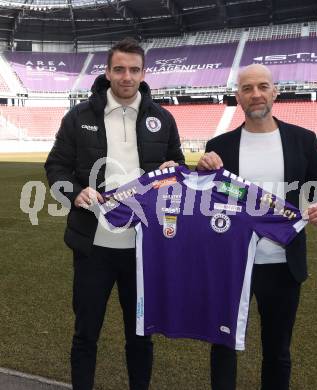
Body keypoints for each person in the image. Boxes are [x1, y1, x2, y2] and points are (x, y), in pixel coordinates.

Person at [45, 38, 185, 390]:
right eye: (119, 69)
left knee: (140, 335)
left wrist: (175, 170)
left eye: (134, 70)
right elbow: (56, 168)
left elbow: (178, 168)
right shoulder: (78, 117)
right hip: (93, 247)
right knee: (85, 333)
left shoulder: (162, 119)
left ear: (143, 73)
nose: (126, 76)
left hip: (143, 247)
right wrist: (76, 194)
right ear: (107, 72)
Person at [197, 64, 317, 390]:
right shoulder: (220, 145)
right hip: (232, 265)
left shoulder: (303, 140)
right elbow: (206, 203)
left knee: (277, 352)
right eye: (247, 88)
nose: (255, 94)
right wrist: (202, 171)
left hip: (283, 265)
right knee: (224, 347)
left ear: (275, 91)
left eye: (262, 87)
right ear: (238, 97)